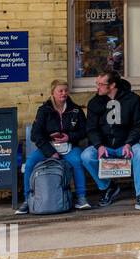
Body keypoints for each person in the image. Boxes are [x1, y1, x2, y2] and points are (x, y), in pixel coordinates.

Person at [80, 68, 140, 212]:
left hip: (125, 145)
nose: (98, 87)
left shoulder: (133, 99)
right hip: (105, 147)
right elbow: (91, 128)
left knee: (139, 153)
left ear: (112, 85)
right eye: (97, 83)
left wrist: (129, 143)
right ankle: (108, 187)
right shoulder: (94, 103)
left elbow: (139, 125)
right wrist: (99, 145)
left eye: (101, 84)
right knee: (86, 156)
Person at [18, 80, 89, 214]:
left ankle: (81, 198)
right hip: (48, 147)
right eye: (60, 91)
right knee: (30, 164)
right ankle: (28, 200)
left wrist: (69, 137)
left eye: (66, 90)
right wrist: (50, 152)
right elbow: (35, 134)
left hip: (69, 146)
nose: (64, 93)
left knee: (77, 161)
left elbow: (84, 131)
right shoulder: (44, 110)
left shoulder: (75, 109)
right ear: (53, 93)